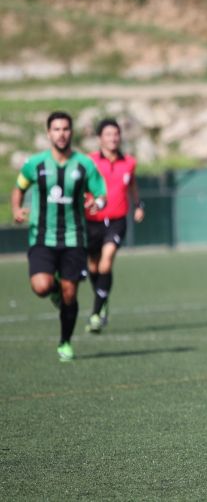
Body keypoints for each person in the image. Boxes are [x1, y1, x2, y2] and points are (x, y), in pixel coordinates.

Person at [10, 111, 107, 361]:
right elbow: (18, 188)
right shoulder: (35, 164)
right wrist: (16, 209)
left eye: (65, 129)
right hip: (42, 237)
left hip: (74, 238)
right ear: (48, 133)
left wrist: (97, 202)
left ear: (71, 132)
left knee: (70, 294)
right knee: (41, 286)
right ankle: (53, 292)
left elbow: (100, 193)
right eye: (56, 129)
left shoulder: (84, 165)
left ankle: (65, 341)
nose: (61, 134)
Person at [84, 118, 144, 333]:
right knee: (93, 266)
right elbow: (80, 185)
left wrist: (138, 205)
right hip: (92, 221)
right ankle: (102, 297)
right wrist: (86, 201)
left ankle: (96, 314)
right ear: (100, 138)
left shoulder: (129, 162)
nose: (113, 138)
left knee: (106, 263)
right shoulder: (88, 161)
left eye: (116, 134)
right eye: (108, 134)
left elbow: (133, 185)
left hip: (117, 221)